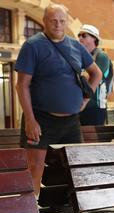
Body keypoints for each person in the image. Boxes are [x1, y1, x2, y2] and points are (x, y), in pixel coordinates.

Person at [15, 4, 102, 196]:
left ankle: (76, 212)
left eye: (62, 21)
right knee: (34, 167)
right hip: (41, 118)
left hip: (71, 121)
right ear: (45, 21)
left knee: (76, 167)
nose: (58, 25)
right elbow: (22, 85)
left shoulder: (76, 46)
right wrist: (30, 120)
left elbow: (96, 74)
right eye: (53, 20)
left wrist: (86, 98)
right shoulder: (33, 45)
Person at [78, 24, 113, 126]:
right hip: (80, 105)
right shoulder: (82, 57)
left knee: (90, 139)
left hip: (94, 107)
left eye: (84, 35)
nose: (80, 38)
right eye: (79, 35)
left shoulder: (101, 56)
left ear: (94, 39)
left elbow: (90, 78)